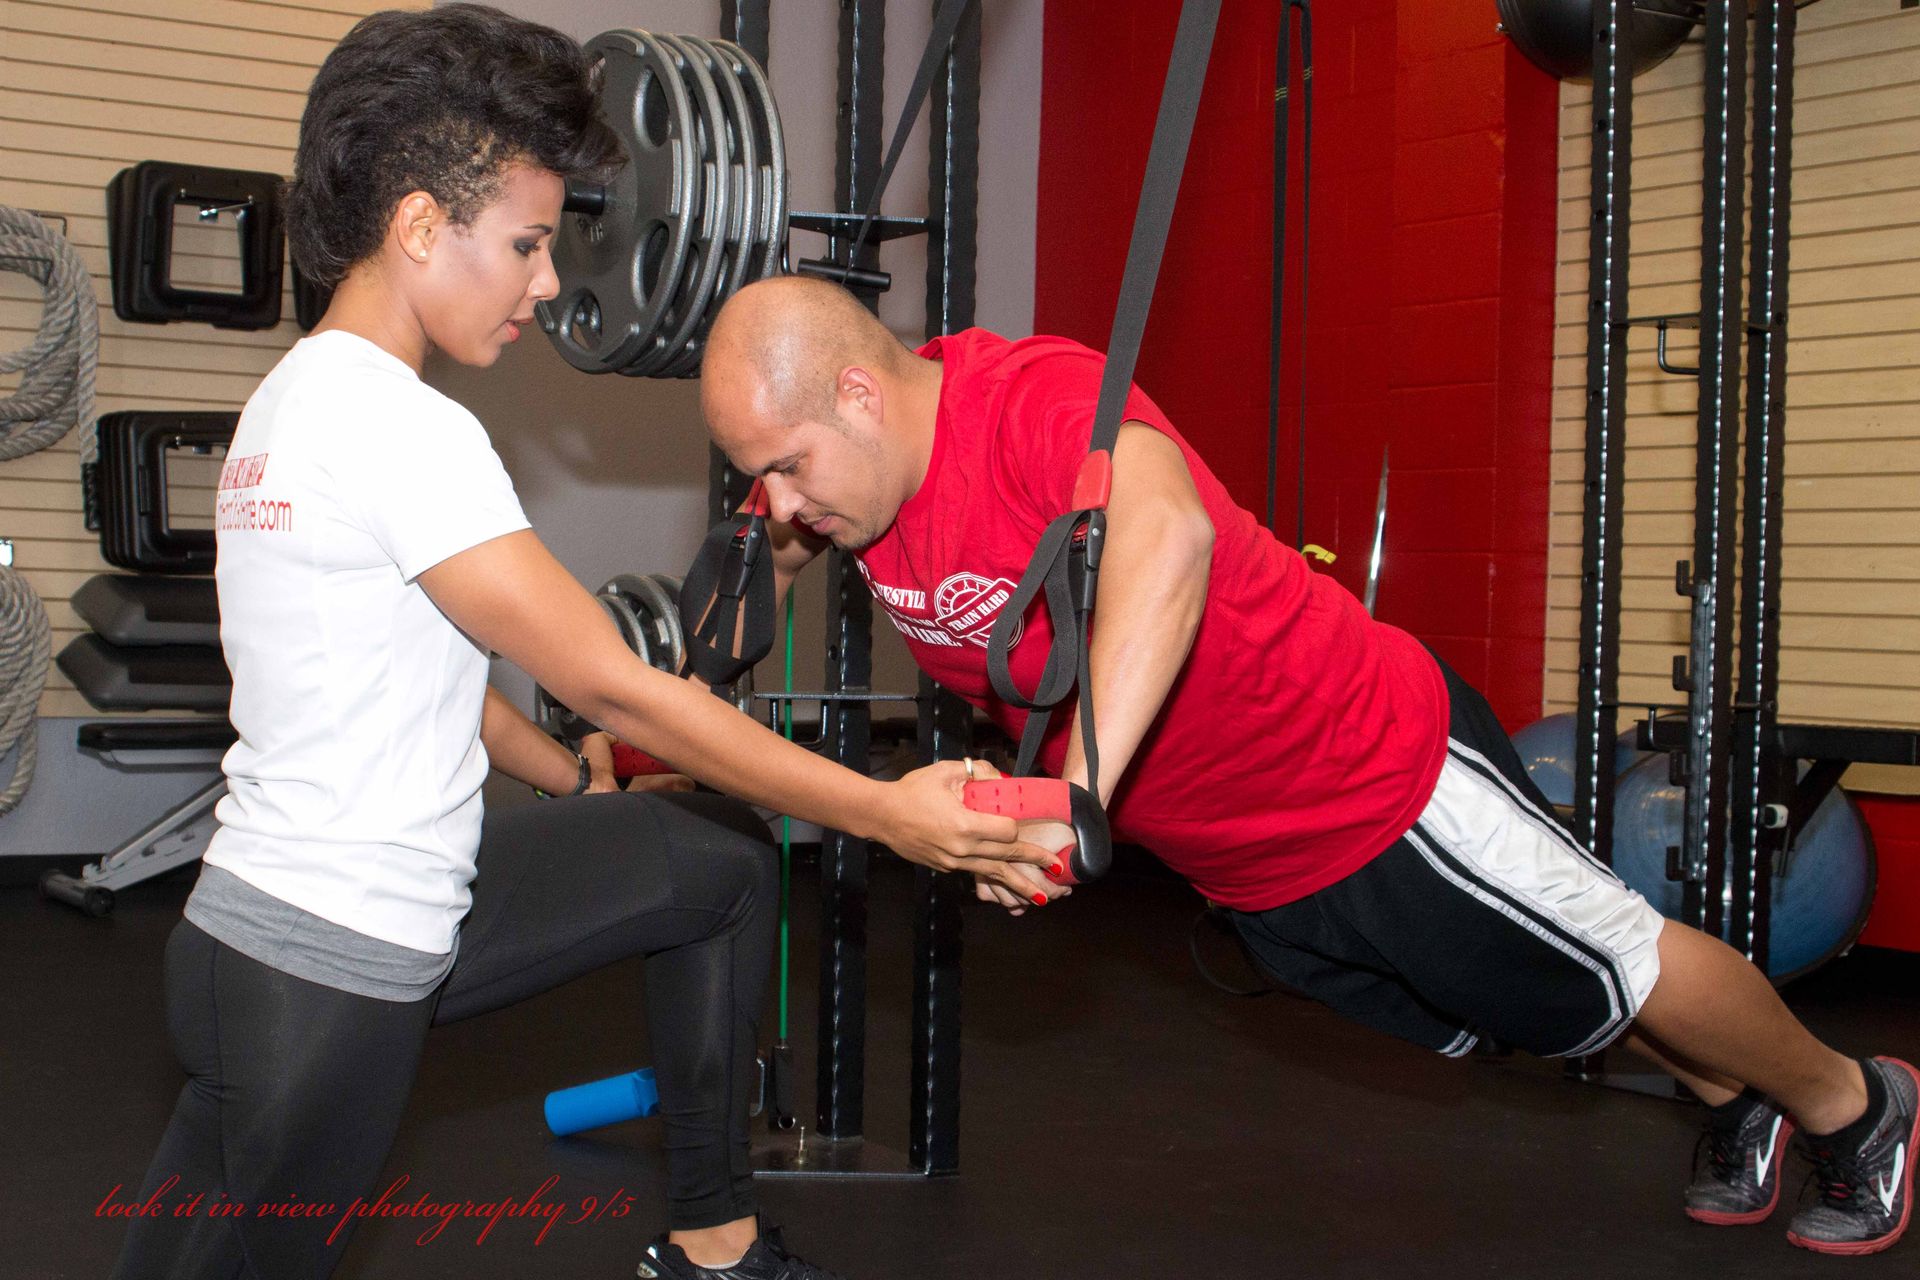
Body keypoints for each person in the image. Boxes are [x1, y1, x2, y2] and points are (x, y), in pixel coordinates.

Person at [695, 274, 1919, 1258]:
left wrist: (1082, 796)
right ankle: (1734, 1095)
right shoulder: (847, 496)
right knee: (1536, 1006)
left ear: (859, 390)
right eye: (762, 476)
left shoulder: (1028, 401)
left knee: (1621, 955)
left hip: (1374, 772)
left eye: (791, 465)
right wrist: (658, 706)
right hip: (1254, 861)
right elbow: (753, 587)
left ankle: (1853, 1105)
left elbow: (1165, 533)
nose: (785, 504)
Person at [109, 11, 1049, 1280]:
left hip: (314, 921)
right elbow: (611, 680)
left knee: (705, 871)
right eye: (528, 244)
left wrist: (575, 777)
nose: (548, 284)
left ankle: (711, 1244)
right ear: (422, 226)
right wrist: (887, 812)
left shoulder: (291, 401)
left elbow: (442, 668)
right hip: (328, 968)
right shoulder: (404, 431)